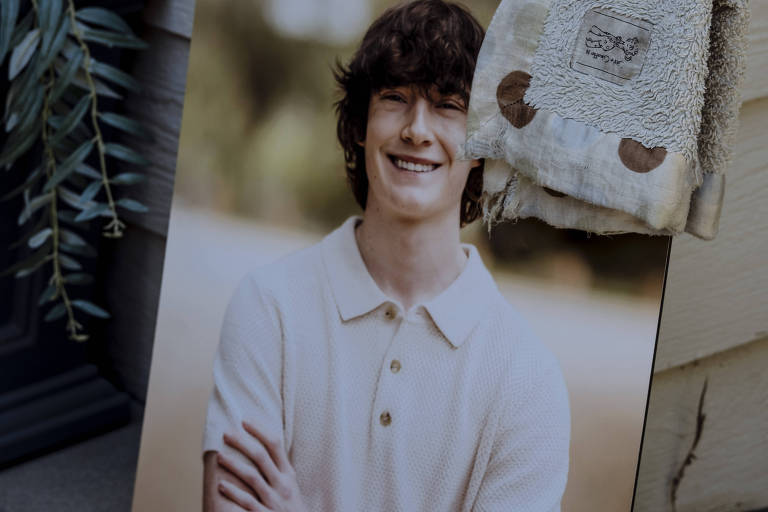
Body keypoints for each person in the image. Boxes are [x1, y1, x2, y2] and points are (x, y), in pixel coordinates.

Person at [202, 1, 570, 511]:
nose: (417, 130)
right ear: (361, 124)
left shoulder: (528, 380)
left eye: (448, 105)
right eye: (395, 97)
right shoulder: (269, 308)